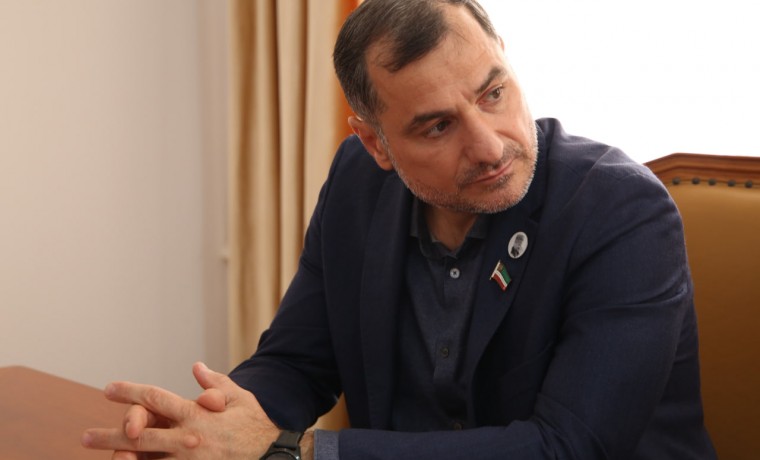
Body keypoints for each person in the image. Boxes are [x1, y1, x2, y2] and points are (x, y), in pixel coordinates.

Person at [82, 0, 717, 458]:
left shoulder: (623, 213)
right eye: (437, 126)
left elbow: (569, 447)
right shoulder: (357, 182)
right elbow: (298, 362)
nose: (489, 146)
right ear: (375, 143)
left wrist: (302, 451)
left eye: (493, 93)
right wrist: (205, 427)